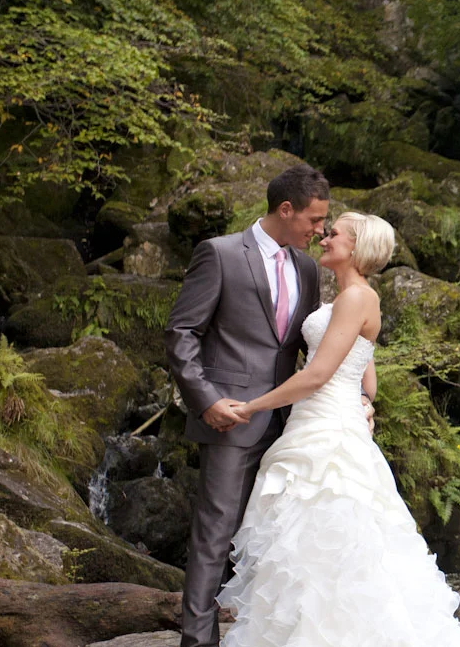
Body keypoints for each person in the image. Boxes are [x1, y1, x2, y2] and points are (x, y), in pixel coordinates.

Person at [217, 212, 460, 646]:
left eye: (333, 232)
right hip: (323, 422)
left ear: (356, 247)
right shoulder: (346, 299)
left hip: (327, 435)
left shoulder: (357, 298)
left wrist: (251, 407)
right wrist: (362, 401)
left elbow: (318, 375)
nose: (323, 237)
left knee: (324, 547)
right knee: (306, 552)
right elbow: (367, 378)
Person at [165, 164, 334, 647]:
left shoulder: (305, 266)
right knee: (214, 536)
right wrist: (206, 401)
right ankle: (197, 643)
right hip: (230, 420)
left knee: (277, 539)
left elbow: (310, 347)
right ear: (286, 210)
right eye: (314, 219)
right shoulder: (218, 255)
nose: (320, 230)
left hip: (290, 426)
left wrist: (358, 397)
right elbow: (181, 334)